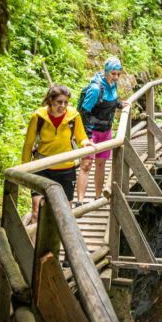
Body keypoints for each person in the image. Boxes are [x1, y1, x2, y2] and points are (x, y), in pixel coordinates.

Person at [22, 84, 90, 225]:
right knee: (36, 211)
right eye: (59, 102)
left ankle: (60, 246)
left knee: (65, 213)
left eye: (66, 102)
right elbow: (28, 145)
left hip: (66, 169)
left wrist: (85, 143)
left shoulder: (73, 116)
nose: (63, 106)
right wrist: (25, 169)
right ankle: (35, 246)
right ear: (51, 100)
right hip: (42, 168)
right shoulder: (38, 117)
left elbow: (81, 137)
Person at [76, 57, 128, 206]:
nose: (116, 77)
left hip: (106, 130)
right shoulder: (95, 88)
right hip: (91, 131)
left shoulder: (113, 84)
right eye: (113, 74)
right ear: (106, 72)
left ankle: (98, 197)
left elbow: (110, 102)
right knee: (86, 164)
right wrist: (88, 136)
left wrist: (120, 105)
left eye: (118, 74)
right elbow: (84, 112)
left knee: (101, 164)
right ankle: (80, 201)